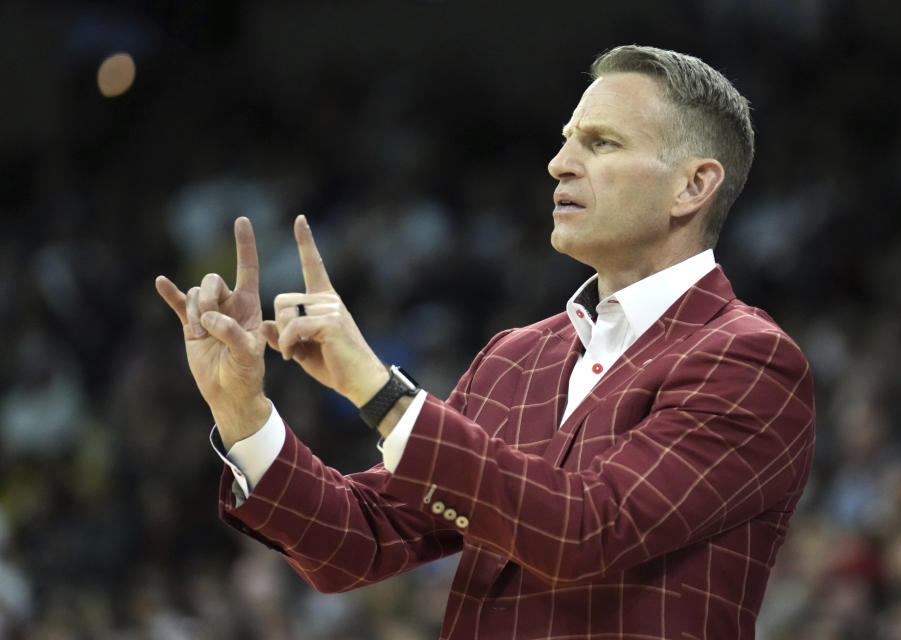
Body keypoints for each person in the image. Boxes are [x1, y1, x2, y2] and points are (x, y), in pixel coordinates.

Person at [156, 45, 815, 639]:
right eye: (566, 140)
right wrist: (242, 410)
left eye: (602, 143)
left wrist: (378, 392)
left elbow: (587, 530)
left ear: (693, 185)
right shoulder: (514, 359)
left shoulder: (748, 360)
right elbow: (356, 543)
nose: (560, 163)